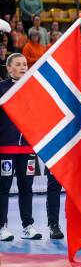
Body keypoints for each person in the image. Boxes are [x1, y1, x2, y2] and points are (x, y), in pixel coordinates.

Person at [0, 53, 42, 241]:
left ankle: (28, 226)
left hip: (28, 147)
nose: (23, 67)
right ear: (9, 68)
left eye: (25, 64)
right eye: (18, 64)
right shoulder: (1, 89)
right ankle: (2, 226)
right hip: (6, 148)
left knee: (27, 187)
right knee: (4, 187)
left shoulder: (34, 89)